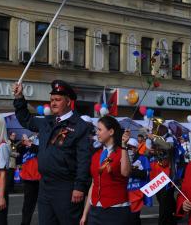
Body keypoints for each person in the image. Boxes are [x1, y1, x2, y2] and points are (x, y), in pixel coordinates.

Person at [13, 80, 93, 225]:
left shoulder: (80, 126)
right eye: (51, 100)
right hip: (45, 186)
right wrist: (19, 97)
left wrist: (80, 187)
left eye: (58, 100)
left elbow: (84, 160)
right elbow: (26, 119)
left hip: (66, 187)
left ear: (68, 102)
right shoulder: (47, 122)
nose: (53, 103)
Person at [80, 116, 131, 225]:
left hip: (116, 211)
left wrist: (124, 146)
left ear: (111, 131)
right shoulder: (96, 155)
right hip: (95, 211)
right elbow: (93, 184)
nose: (96, 133)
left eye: (100, 129)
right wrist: (85, 214)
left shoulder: (122, 151)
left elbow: (126, 172)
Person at [147, 124, 179, 225]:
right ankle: (173, 218)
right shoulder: (155, 141)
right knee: (163, 201)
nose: (153, 133)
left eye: (154, 131)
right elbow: (146, 154)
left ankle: (164, 222)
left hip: (167, 175)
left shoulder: (170, 138)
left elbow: (168, 147)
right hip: (156, 174)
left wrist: (154, 138)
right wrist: (150, 151)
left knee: (164, 204)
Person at [17, 134, 41, 225]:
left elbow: (42, 150)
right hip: (28, 178)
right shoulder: (30, 138)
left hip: (41, 178)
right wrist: (22, 143)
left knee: (45, 206)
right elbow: (18, 151)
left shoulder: (44, 137)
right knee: (27, 206)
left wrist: (29, 144)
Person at [126, 138, 151, 225]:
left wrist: (130, 171)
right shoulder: (123, 157)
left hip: (136, 193)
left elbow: (146, 174)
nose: (129, 149)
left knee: (134, 218)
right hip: (124, 193)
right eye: (128, 147)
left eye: (131, 147)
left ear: (136, 148)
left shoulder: (142, 158)